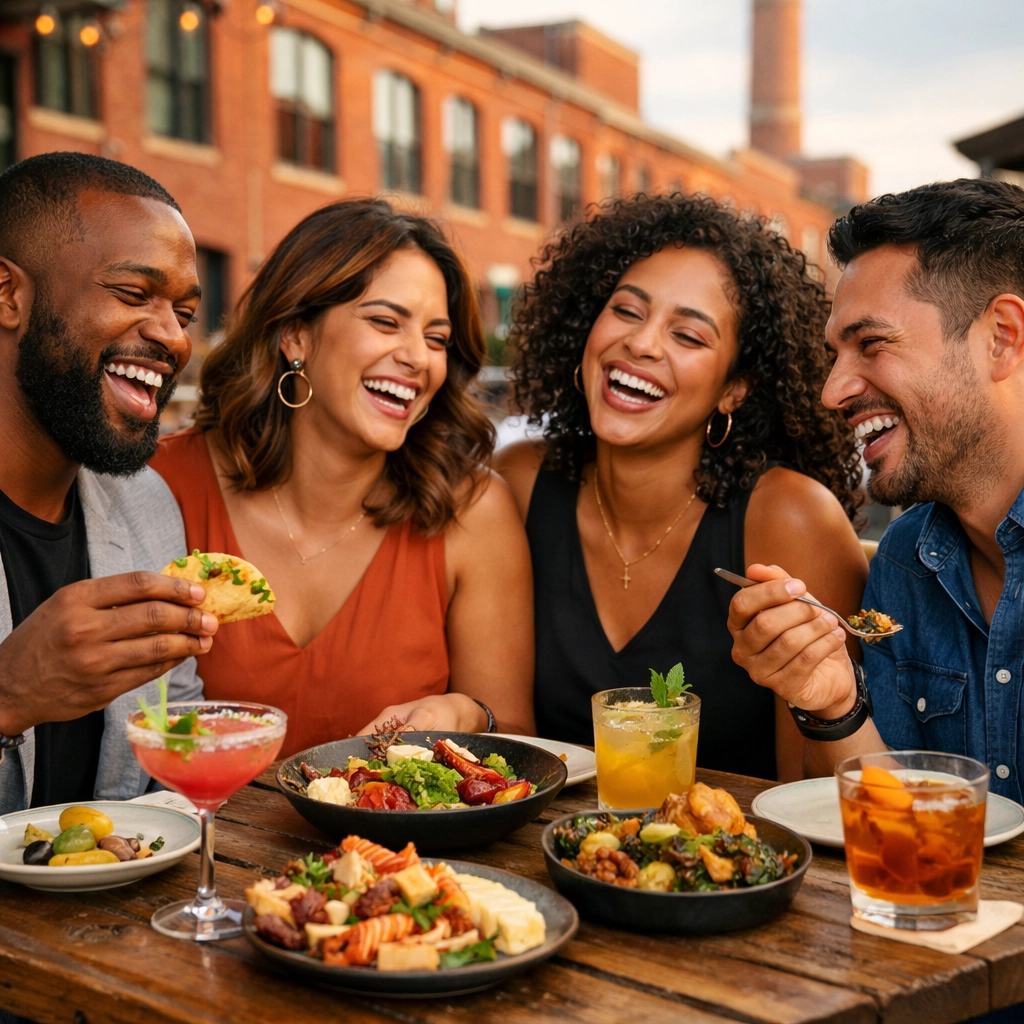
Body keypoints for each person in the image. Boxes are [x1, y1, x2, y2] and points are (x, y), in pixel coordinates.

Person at [495, 193, 867, 781]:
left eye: (689, 337)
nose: (642, 344)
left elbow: (820, 793)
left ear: (734, 389)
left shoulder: (791, 518)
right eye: (626, 311)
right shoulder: (517, 484)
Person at [151, 199, 533, 757]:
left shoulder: (474, 511)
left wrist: (470, 711)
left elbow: (520, 742)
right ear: (295, 336)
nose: (417, 358)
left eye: (436, 338)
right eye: (385, 322)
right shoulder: (161, 481)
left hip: (395, 846)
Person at [726, 178, 1024, 798]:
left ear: (1002, 337)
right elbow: (901, 826)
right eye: (836, 354)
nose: (833, 391)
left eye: (872, 344)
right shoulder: (906, 558)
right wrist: (833, 703)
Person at [0, 152, 215, 815]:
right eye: (132, 294)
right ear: (8, 295)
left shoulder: (145, 504)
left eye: (183, 311)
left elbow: (175, 730)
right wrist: (8, 697)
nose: (172, 338)